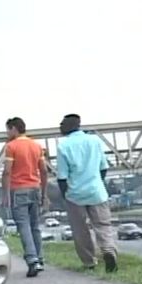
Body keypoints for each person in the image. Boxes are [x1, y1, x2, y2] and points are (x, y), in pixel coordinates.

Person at [56, 114, 118, 273]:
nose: (60, 127)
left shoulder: (63, 146)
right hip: (97, 191)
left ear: (68, 126)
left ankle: (89, 262)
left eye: (61, 124)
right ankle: (108, 250)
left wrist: (65, 194)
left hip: (75, 195)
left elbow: (62, 177)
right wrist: (98, 182)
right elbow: (104, 167)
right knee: (103, 225)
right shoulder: (95, 140)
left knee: (80, 230)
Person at [2, 117, 49, 277]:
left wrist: (5, 194)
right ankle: (40, 258)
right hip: (35, 188)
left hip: (18, 190)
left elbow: (7, 171)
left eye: (8, 129)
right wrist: (44, 192)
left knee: (24, 226)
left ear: (14, 129)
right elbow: (43, 170)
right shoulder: (36, 146)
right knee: (35, 226)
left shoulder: (11, 146)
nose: (7, 133)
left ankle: (32, 260)